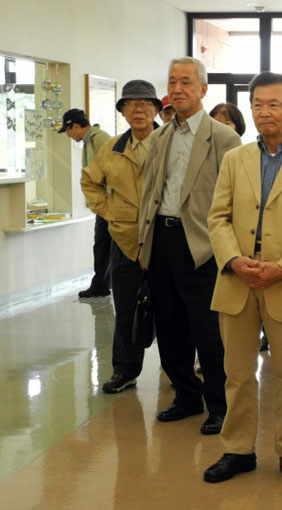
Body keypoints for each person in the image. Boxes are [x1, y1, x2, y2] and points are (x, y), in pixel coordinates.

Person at [203, 72, 282, 488]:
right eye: (257, 104)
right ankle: (238, 449)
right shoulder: (235, 159)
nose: (264, 112)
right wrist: (233, 260)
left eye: (274, 104)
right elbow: (217, 218)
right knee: (236, 373)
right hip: (237, 280)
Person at [138, 57, 241, 435]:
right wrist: (142, 243)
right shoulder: (159, 136)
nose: (177, 89)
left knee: (208, 329)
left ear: (203, 89)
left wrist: (228, 250)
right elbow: (150, 191)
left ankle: (220, 405)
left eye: (186, 82)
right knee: (169, 324)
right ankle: (186, 395)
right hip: (162, 239)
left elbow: (234, 199)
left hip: (201, 243)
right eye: (172, 82)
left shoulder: (224, 138)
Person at [80, 80, 161, 393]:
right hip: (125, 239)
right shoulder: (112, 148)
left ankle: (178, 374)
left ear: (156, 109)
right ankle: (124, 371)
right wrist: (109, 211)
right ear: (123, 111)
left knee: (172, 310)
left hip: (165, 238)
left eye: (145, 103)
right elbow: (90, 182)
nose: (138, 109)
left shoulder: (168, 143)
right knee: (125, 308)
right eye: (131, 104)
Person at [59, 108, 112, 298]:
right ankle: (101, 284)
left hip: (110, 204)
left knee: (105, 245)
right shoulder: (90, 141)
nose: (68, 136)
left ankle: (101, 285)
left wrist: (107, 202)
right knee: (102, 246)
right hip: (103, 204)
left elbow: (111, 169)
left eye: (68, 131)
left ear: (75, 126)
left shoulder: (99, 138)